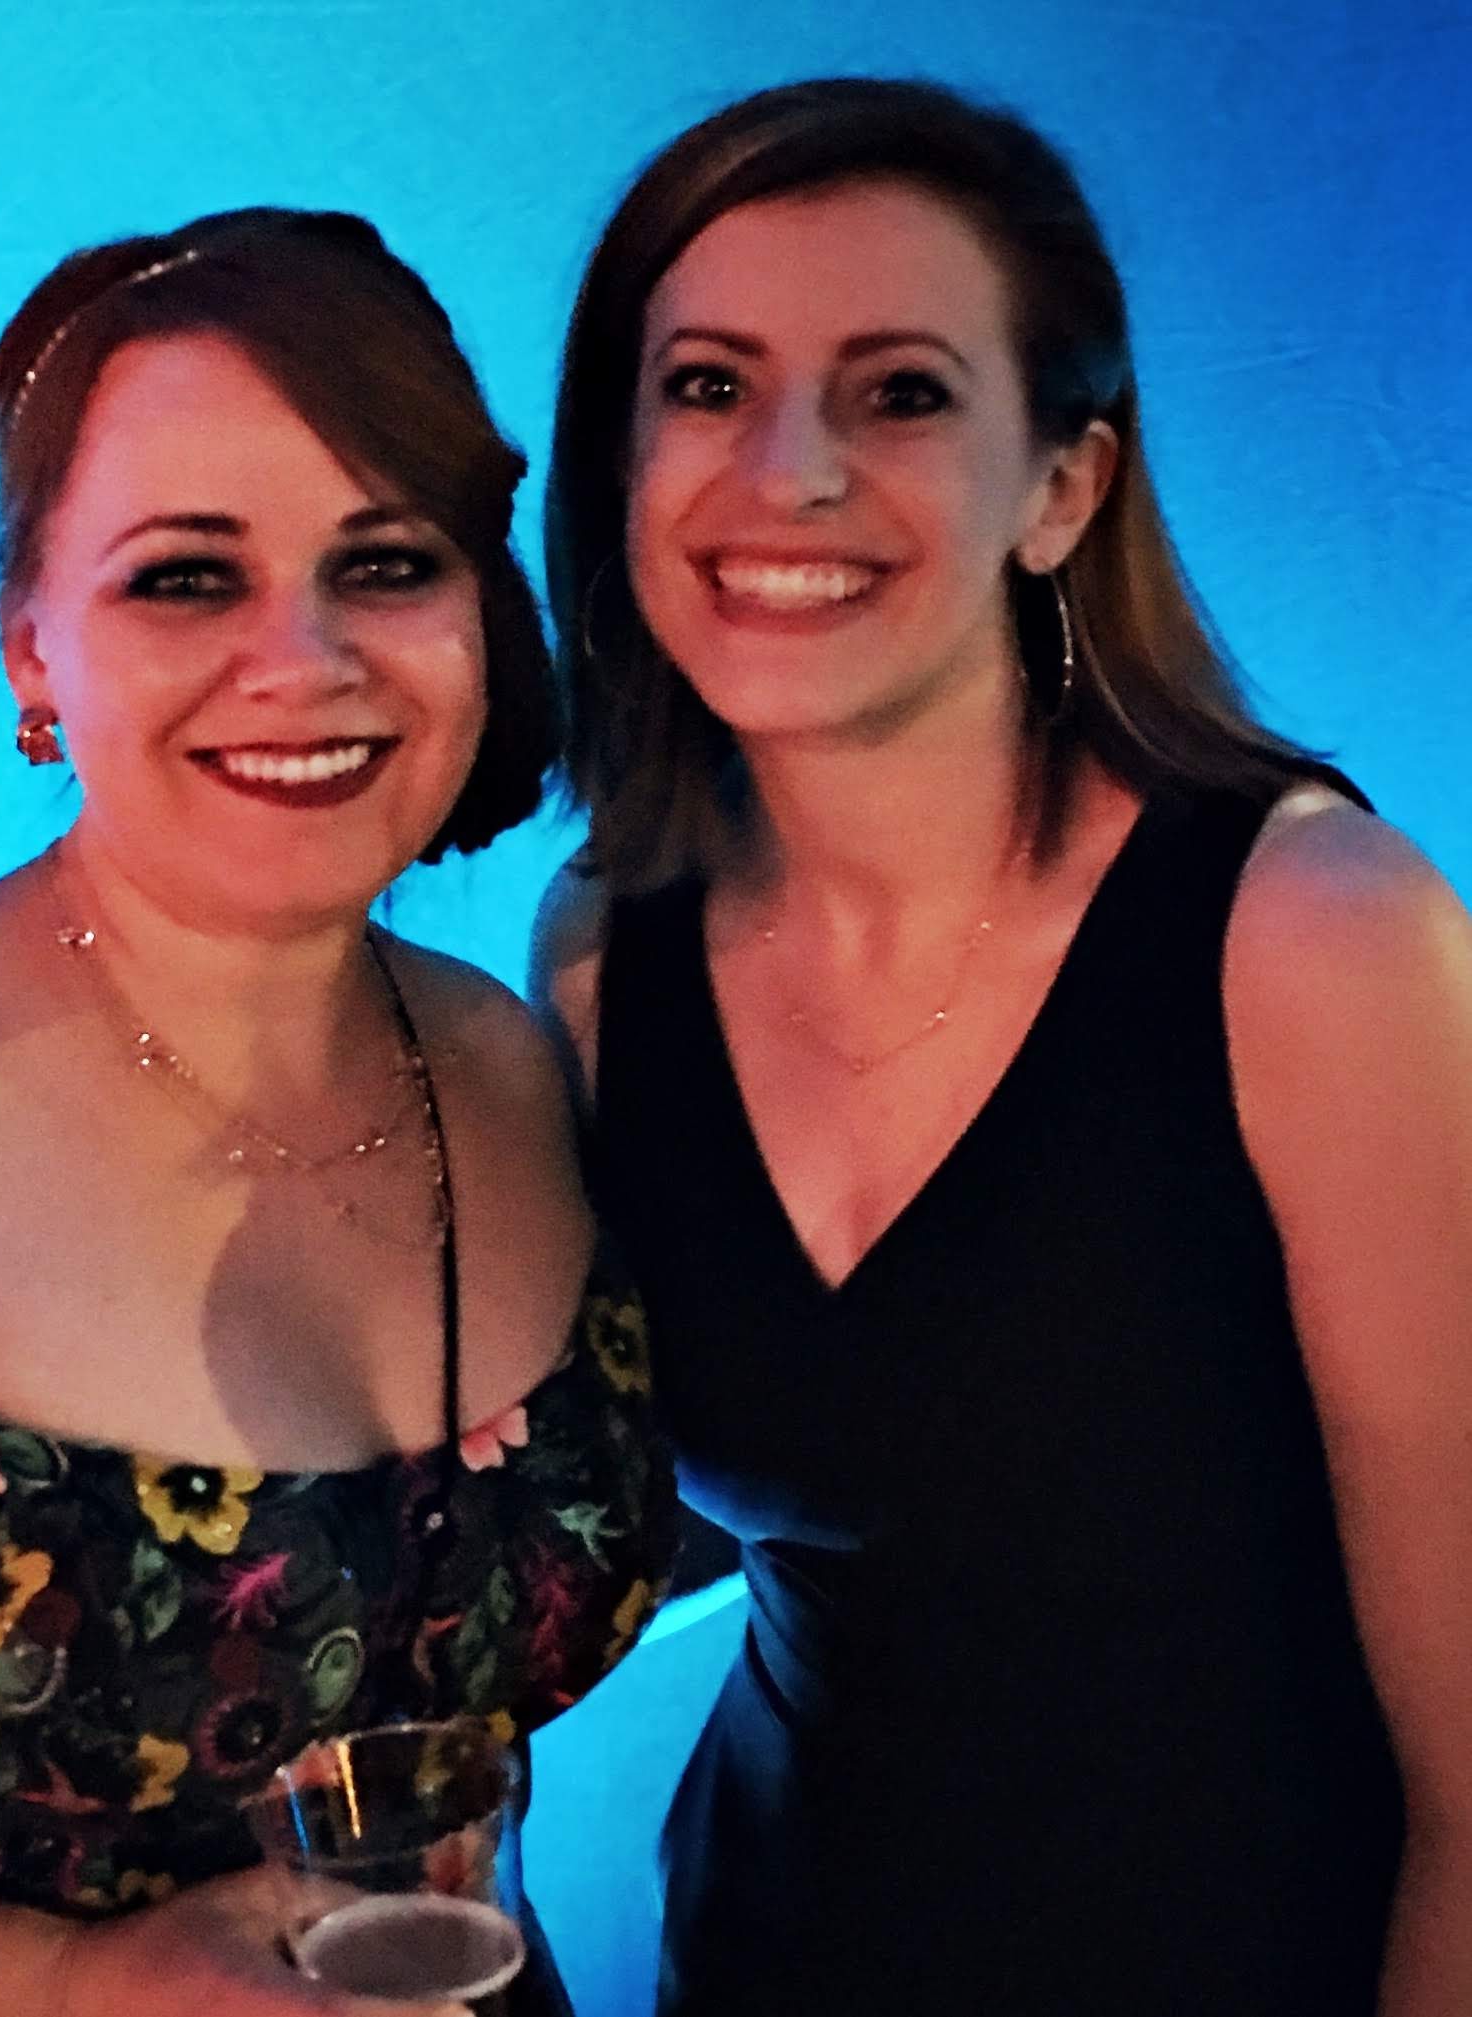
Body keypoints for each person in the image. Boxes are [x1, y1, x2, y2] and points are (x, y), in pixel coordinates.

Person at [532, 77, 1472, 2017]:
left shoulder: (1317, 938)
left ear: (1063, 488)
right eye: (706, 386)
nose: (786, 470)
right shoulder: (603, 950)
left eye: (899, 392)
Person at [0, 207, 675, 2017]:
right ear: (30, 648)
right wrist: (59, 1982)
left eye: (384, 563)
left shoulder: (509, 1058)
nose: (304, 657)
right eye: (183, 577)